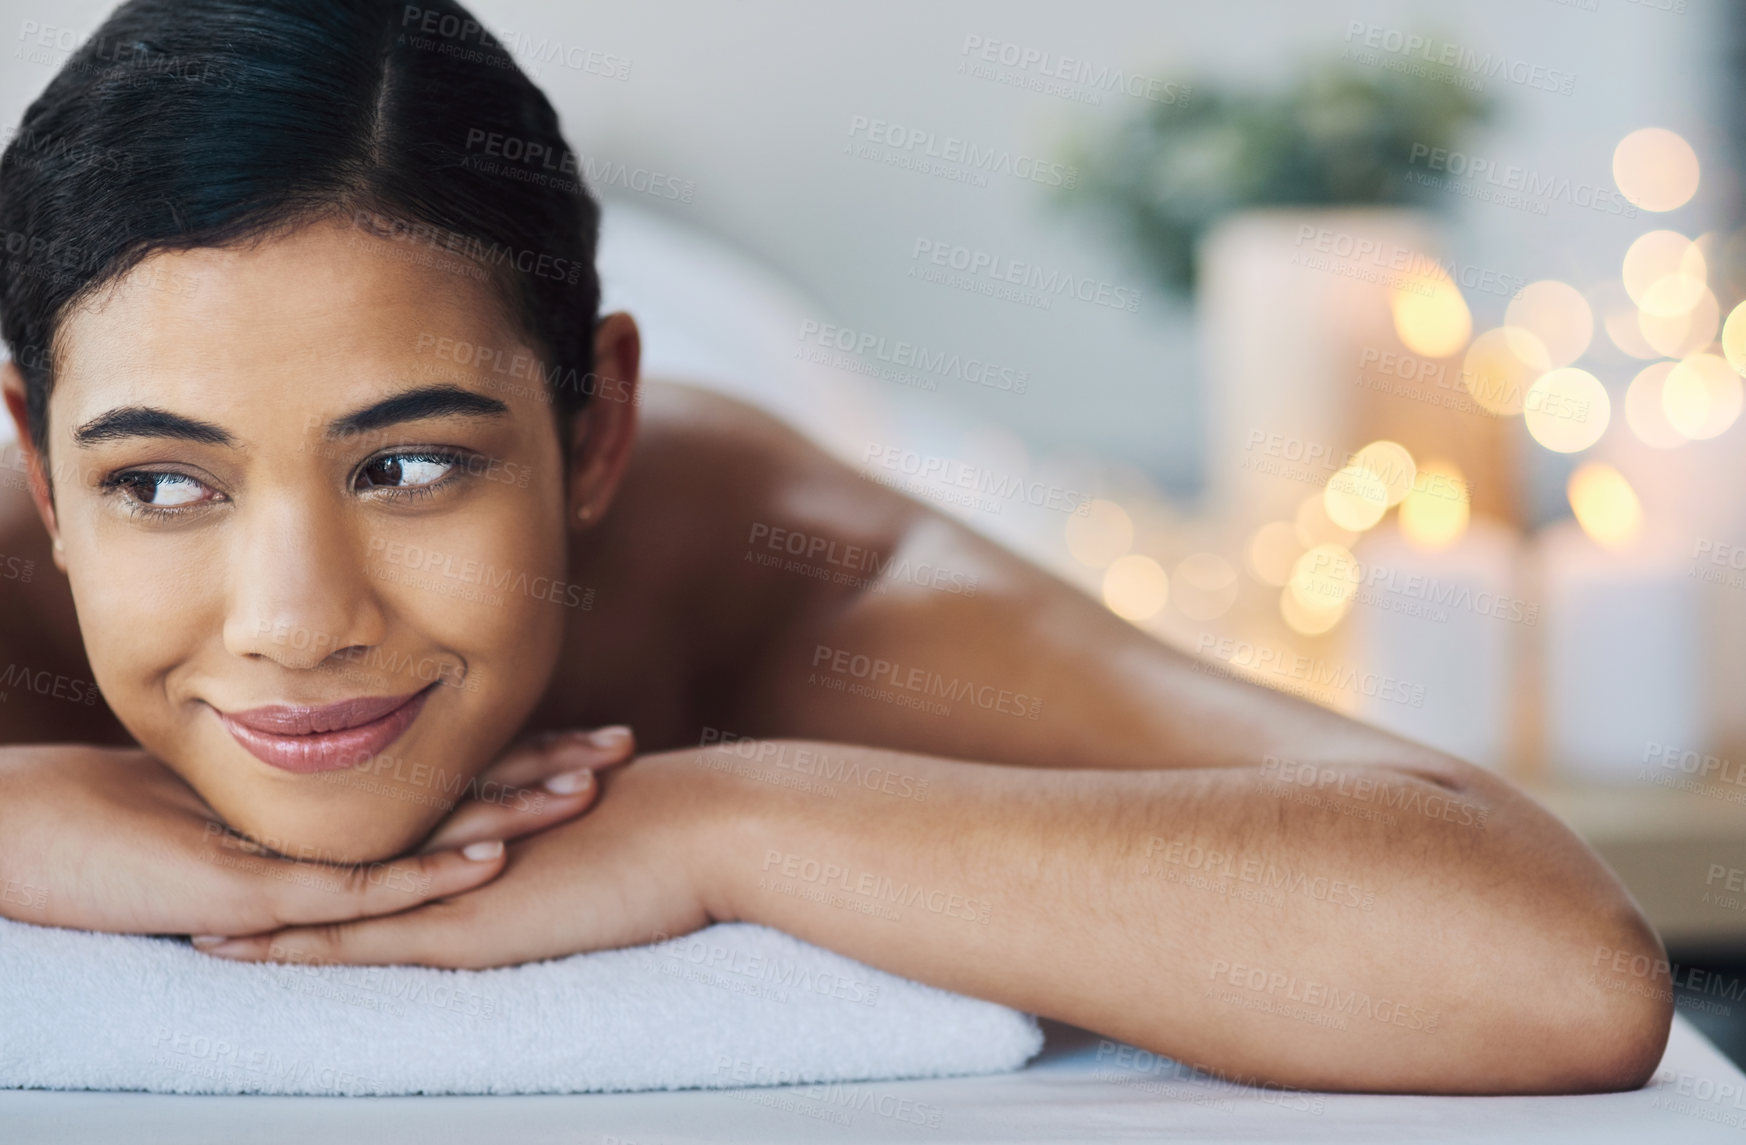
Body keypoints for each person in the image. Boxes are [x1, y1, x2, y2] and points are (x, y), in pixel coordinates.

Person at [0, 0, 1670, 1096]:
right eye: (161, 485)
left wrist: (715, 820)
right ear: (42, 468)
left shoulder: (777, 561)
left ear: (594, 433)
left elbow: (1549, 966)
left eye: (414, 462)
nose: (295, 621)